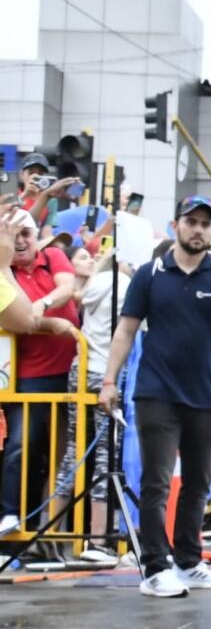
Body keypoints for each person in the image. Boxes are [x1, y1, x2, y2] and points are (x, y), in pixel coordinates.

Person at [98, 196, 211, 597]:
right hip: (156, 394)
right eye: (191, 222)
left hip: (204, 396)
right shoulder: (150, 274)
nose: (199, 230)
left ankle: (189, 561)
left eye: (206, 224)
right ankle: (155, 569)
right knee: (156, 484)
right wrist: (108, 381)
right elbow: (126, 329)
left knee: (198, 485)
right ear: (176, 226)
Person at [1, 212, 82, 535]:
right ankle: (10, 514)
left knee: (63, 454)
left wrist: (43, 306)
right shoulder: (7, 273)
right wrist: (49, 323)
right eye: (13, 234)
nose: (20, 240)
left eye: (26, 233)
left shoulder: (54, 256)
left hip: (71, 372)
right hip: (28, 375)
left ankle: (51, 530)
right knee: (23, 444)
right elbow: (19, 321)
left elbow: (66, 287)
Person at [51, 244, 131, 561]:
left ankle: (53, 533)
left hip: (80, 369)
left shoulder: (98, 281)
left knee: (74, 449)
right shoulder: (128, 285)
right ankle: (98, 541)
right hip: (109, 376)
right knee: (106, 457)